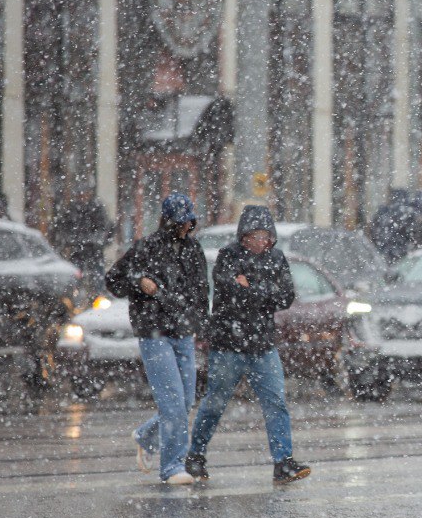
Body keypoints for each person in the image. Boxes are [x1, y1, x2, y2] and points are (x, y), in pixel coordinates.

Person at [187, 205, 311, 484]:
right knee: (215, 402)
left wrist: (251, 288)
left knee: (275, 402)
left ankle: (283, 461)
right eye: (255, 236)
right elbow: (231, 292)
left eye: (265, 237)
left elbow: (285, 297)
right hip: (228, 344)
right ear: (244, 236)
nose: (260, 242)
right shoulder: (228, 256)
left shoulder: (277, 259)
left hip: (262, 344)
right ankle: (195, 455)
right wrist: (261, 291)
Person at [105, 193, 208, 485]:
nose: (187, 226)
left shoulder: (193, 250)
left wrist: (199, 323)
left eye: (189, 221)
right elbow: (114, 280)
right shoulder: (146, 248)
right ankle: (173, 466)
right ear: (169, 221)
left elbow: (201, 291)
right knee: (173, 401)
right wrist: (138, 283)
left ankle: (147, 436)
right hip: (155, 333)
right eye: (182, 221)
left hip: (183, 333)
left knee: (185, 402)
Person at [50, 189, 114, 290]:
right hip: (78, 249)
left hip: (93, 249)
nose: (83, 196)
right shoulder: (72, 209)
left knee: (97, 273)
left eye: (85, 193)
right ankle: (75, 291)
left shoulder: (97, 208)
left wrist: (93, 240)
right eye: (80, 194)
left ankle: (98, 292)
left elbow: (104, 228)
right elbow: (64, 227)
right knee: (76, 271)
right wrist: (73, 240)